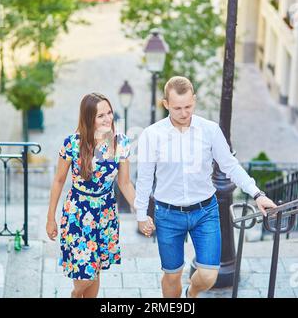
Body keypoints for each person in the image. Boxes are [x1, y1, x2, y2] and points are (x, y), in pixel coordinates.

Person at [134, 76, 277, 298]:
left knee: (209, 276)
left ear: (195, 100)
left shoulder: (210, 130)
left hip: (205, 212)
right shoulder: (151, 135)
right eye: (177, 108)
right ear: (165, 104)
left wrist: (257, 194)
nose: (184, 113)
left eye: (188, 106)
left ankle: (192, 294)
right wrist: (142, 215)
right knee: (172, 275)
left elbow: (230, 166)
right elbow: (144, 178)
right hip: (168, 214)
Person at [46, 92, 135, 298]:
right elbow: (59, 180)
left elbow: (125, 182)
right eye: (100, 115)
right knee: (84, 277)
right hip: (78, 214)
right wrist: (51, 217)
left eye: (109, 113)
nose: (108, 119)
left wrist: (140, 210)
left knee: (95, 271)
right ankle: (75, 295)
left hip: (106, 214)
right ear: (89, 119)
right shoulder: (72, 143)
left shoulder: (120, 143)